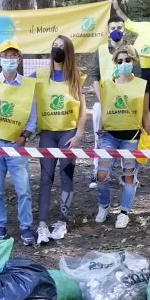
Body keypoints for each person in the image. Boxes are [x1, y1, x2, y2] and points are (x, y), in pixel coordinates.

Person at [0, 39, 38, 245]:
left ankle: (26, 227)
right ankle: (0, 225)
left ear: (19, 58)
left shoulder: (28, 85)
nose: (10, 59)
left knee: (23, 189)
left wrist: (25, 136)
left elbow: (32, 116)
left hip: (16, 144)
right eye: (6, 55)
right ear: (0, 58)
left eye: (14, 55)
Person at [33, 35, 86, 245]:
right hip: (47, 133)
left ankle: (62, 222)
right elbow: (16, 86)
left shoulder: (76, 77)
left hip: (67, 135)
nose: (57, 50)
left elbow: (83, 111)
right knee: (45, 179)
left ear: (69, 52)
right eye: (54, 46)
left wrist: (79, 135)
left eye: (61, 47)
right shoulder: (39, 75)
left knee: (66, 178)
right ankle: (42, 225)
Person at [96, 45, 150, 229]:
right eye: (120, 61)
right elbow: (103, 108)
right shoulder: (108, 84)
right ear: (115, 63)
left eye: (127, 60)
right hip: (109, 136)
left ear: (133, 61)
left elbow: (145, 112)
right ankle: (104, 205)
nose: (124, 63)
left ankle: (124, 211)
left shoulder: (142, 84)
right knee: (101, 174)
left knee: (129, 175)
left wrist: (149, 135)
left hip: (132, 137)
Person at [88, 15, 140, 190]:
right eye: (112, 28)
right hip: (104, 102)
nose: (116, 31)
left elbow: (138, 78)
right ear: (108, 31)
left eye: (119, 27)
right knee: (100, 138)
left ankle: (131, 177)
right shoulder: (100, 51)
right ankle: (99, 173)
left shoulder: (132, 51)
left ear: (124, 29)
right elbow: (94, 77)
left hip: (127, 104)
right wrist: (102, 99)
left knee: (131, 141)